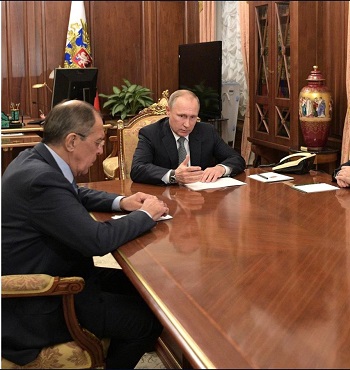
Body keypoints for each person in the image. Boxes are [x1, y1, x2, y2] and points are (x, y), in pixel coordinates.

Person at [1, 100, 168, 368]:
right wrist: (146, 215)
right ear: (71, 141)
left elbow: (73, 193)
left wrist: (121, 202)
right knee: (146, 321)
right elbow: (96, 240)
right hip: (43, 300)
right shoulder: (41, 180)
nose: (102, 152)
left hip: (57, 266)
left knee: (141, 288)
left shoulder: (35, 159)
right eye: (99, 142)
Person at [130, 89, 245, 185]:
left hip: (201, 198)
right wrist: (174, 175)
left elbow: (237, 159)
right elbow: (138, 169)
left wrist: (221, 168)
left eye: (193, 117)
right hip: (166, 198)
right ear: (168, 111)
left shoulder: (207, 131)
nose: (187, 124)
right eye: (182, 116)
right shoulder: (150, 133)